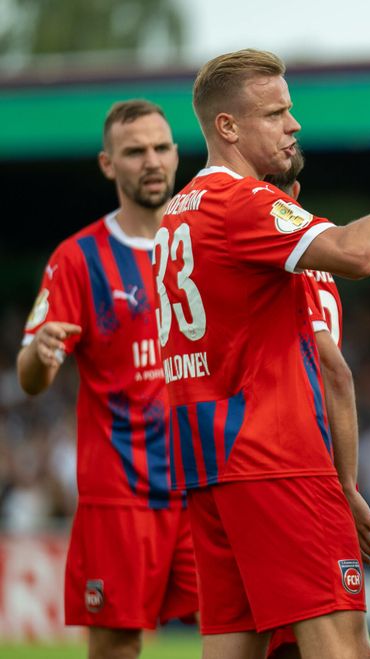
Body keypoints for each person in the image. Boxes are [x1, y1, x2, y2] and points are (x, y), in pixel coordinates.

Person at [155, 48, 370, 659]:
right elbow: (358, 256)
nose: (294, 124)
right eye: (276, 112)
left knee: (232, 644)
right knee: (342, 646)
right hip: (275, 458)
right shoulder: (242, 204)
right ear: (227, 126)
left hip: (208, 467)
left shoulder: (176, 216)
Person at [17, 99, 197, 659]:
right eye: (134, 151)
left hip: (205, 485)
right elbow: (30, 378)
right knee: (118, 646)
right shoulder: (77, 259)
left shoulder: (208, 243)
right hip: (122, 495)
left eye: (161, 148)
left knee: (245, 632)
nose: (151, 161)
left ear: (175, 154)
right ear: (106, 164)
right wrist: (42, 354)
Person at [263, 150, 370, 659]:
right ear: (294, 197)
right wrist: (346, 485)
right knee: (343, 643)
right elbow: (336, 371)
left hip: (278, 467)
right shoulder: (316, 270)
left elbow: (331, 368)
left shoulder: (284, 269)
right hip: (303, 480)